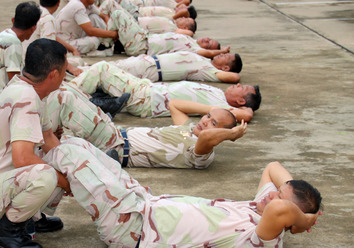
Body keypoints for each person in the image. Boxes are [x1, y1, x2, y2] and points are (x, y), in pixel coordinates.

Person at [50, 139, 323, 248]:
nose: (271, 194)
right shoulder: (259, 207)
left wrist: (306, 220)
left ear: (290, 218)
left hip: (131, 227)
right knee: (77, 144)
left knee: (68, 155)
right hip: (141, 202)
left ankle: (19, 209)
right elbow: (273, 167)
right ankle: (36, 206)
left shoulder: (264, 243)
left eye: (278, 196)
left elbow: (281, 207)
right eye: (276, 191)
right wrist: (292, 194)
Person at [0, 39, 69, 248]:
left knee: (62, 159)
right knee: (46, 175)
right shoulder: (25, 97)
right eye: (65, 70)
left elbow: (48, 138)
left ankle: (31, 217)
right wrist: (64, 181)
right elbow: (22, 159)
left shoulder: (31, 90)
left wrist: (72, 172)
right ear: (53, 75)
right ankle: (8, 232)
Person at [45, 84, 247, 169]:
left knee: (64, 97)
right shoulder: (189, 129)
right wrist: (215, 109)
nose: (205, 121)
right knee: (68, 91)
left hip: (115, 145)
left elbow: (206, 139)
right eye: (207, 116)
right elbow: (175, 104)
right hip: (112, 132)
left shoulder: (202, 154)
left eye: (213, 123)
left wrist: (230, 134)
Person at [70, 61, 260, 122]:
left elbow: (246, 115)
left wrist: (249, 110)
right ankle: (94, 100)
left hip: (146, 98)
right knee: (95, 76)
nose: (237, 85)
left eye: (241, 89)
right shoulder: (219, 94)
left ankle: (65, 97)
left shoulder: (222, 107)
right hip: (146, 89)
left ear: (242, 101)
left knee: (102, 69)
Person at [106, 9, 228, 57]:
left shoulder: (193, 49)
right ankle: (108, 43)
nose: (206, 40)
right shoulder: (190, 41)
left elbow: (208, 52)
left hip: (142, 45)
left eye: (208, 44)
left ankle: (105, 44)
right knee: (121, 15)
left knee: (117, 14)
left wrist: (221, 51)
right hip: (143, 38)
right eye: (209, 39)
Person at [0, 1, 41, 93]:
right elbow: (14, 79)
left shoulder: (4, 34)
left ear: (13, 20)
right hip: (0, 93)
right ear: (34, 28)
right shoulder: (14, 43)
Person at [23, 0, 83, 76]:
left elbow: (53, 37)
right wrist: (70, 68)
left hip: (26, 57)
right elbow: (49, 51)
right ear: (58, 3)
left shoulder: (33, 11)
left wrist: (72, 49)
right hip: (36, 64)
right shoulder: (48, 19)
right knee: (78, 61)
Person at [110, 51, 242, 83]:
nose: (222, 54)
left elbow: (234, 77)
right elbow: (206, 51)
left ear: (225, 68)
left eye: (226, 57)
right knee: (103, 68)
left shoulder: (209, 71)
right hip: (146, 60)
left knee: (104, 71)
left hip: (150, 69)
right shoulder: (205, 59)